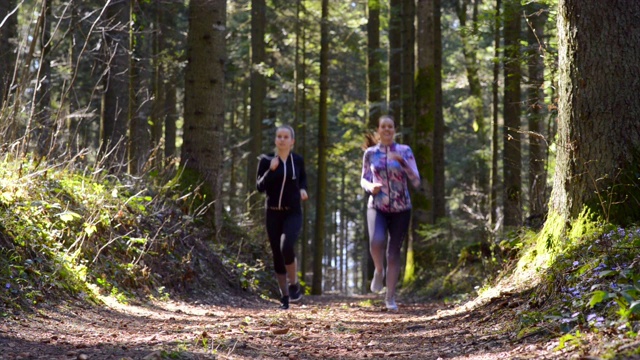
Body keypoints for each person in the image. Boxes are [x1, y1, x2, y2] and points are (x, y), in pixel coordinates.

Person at [360, 115, 421, 311]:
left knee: (393, 252)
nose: (387, 130)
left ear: (394, 130)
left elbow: (416, 179)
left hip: (401, 208)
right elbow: (363, 179)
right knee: (376, 240)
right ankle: (379, 269)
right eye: (383, 127)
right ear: (378, 130)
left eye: (390, 127)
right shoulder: (370, 153)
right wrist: (371, 186)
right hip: (377, 205)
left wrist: (402, 161)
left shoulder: (404, 151)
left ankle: (390, 297)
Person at [256, 124, 308, 309]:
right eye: (279, 136)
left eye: (286, 137)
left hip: (292, 212)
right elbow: (260, 187)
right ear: (275, 140)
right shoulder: (265, 161)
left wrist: (303, 190)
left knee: (286, 245)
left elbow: (303, 179)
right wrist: (271, 170)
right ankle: (285, 297)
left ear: (292, 141)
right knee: (277, 255)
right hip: (272, 213)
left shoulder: (297, 161)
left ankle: (294, 284)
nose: (282, 139)